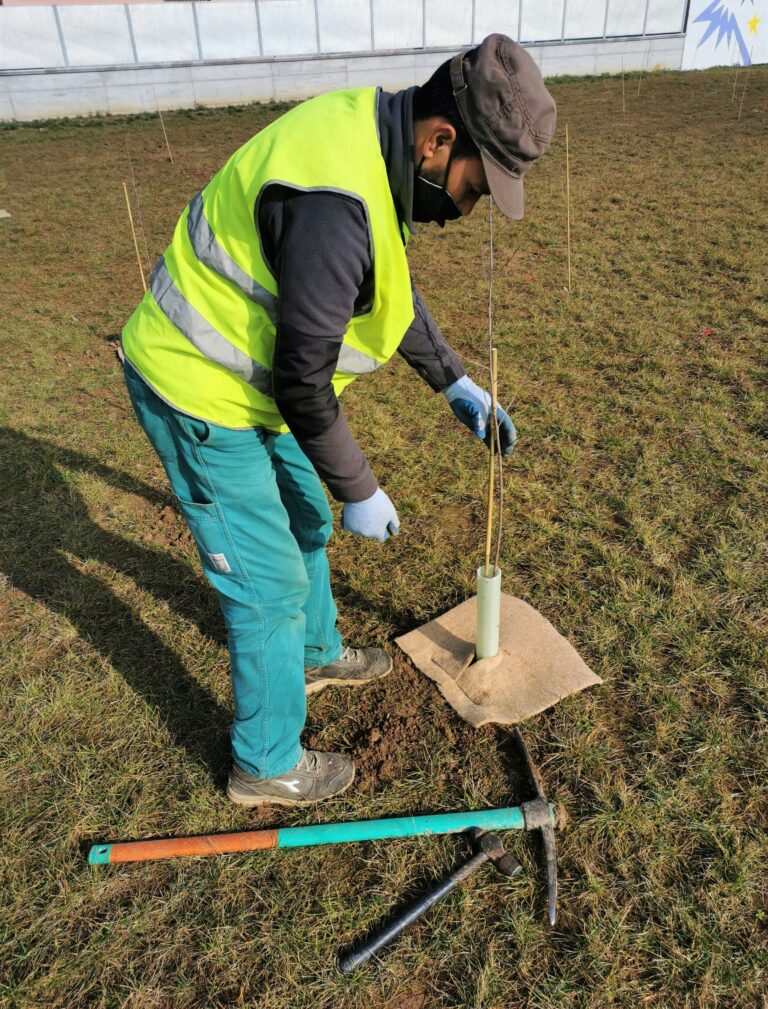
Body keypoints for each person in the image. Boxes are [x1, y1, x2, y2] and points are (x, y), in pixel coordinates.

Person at [120, 33, 556, 807]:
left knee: (304, 518)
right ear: (439, 140)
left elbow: (385, 284)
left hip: (251, 382)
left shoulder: (374, 142)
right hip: (197, 387)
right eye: (474, 188)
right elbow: (303, 381)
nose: (466, 208)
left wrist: (455, 382)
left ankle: (317, 654)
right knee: (267, 583)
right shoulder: (333, 206)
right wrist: (360, 484)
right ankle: (264, 761)